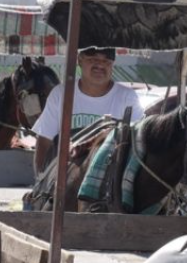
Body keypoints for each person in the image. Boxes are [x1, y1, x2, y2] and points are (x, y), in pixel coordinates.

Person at [31, 46, 145, 175]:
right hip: (66, 175)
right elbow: (44, 139)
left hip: (110, 177)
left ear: (112, 64)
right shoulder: (61, 94)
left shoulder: (127, 97)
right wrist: (40, 178)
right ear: (80, 60)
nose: (100, 65)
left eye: (106, 61)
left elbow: (138, 139)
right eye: (93, 59)